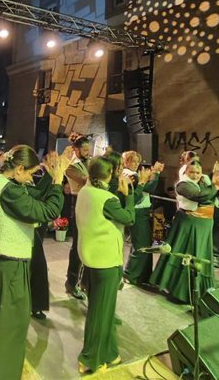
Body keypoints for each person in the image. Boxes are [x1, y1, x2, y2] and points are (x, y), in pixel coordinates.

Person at [0, 145, 68, 380]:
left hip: (7, 265)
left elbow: (34, 197)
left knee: (4, 329)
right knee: (11, 330)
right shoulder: (11, 192)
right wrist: (58, 182)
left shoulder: (7, 183)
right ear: (18, 169)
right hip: (10, 268)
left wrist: (50, 175)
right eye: (30, 173)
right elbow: (47, 210)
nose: (31, 179)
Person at [76, 156, 136, 374]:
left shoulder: (86, 190)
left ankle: (110, 353)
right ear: (108, 175)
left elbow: (106, 212)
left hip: (91, 259)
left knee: (104, 310)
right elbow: (129, 218)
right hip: (106, 262)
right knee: (100, 314)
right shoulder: (106, 199)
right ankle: (89, 358)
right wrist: (128, 195)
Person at [150, 160, 219, 304]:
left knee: (201, 254)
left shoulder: (203, 181)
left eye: (198, 172)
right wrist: (215, 186)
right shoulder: (182, 185)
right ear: (185, 172)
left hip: (204, 225)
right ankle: (181, 290)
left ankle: (200, 290)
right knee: (187, 253)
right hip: (190, 224)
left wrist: (216, 176)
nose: (195, 175)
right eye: (191, 172)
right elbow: (201, 196)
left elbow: (212, 194)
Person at [122, 151, 163, 285]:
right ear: (126, 162)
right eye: (132, 161)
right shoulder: (130, 174)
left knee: (143, 243)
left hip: (141, 211)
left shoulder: (129, 174)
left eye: (137, 161)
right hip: (139, 212)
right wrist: (155, 174)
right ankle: (131, 274)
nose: (135, 164)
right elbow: (149, 188)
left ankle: (142, 275)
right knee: (141, 245)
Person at [64, 136, 91, 299]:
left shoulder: (87, 162)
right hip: (78, 203)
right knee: (78, 247)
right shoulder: (71, 166)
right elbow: (87, 180)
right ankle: (72, 282)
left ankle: (85, 282)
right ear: (76, 149)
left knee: (88, 245)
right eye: (85, 150)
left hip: (89, 202)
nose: (88, 153)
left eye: (89, 149)